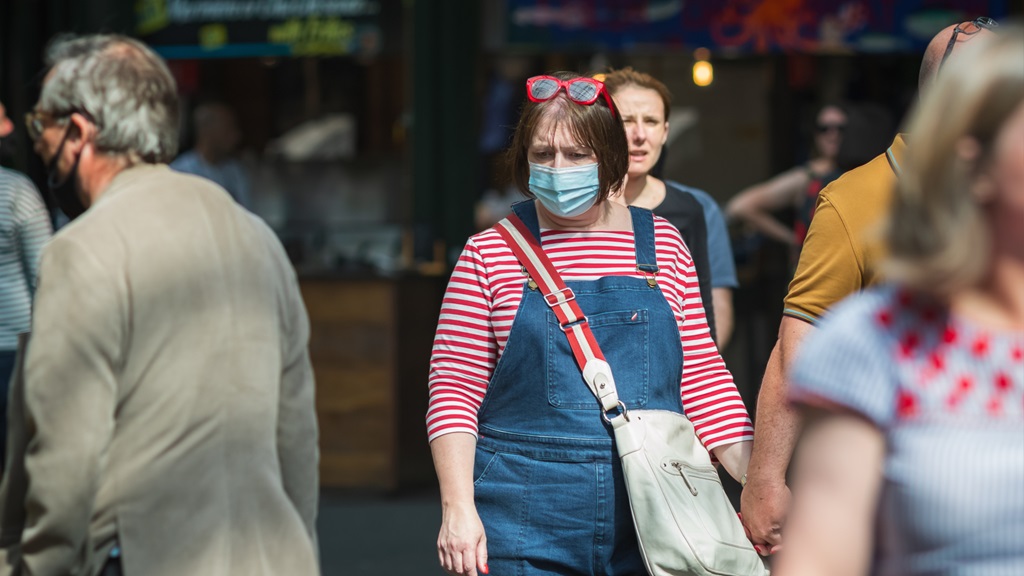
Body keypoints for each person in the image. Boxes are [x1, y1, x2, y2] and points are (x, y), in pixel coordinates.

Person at [4, 34, 319, 576]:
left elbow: (65, 458)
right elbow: (296, 436)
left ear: (78, 132)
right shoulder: (256, 236)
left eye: (40, 125)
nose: (34, 141)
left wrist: (37, 565)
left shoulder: (82, 249)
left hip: (141, 556)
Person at [427, 71, 754, 576]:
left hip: (654, 516)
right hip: (521, 518)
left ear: (610, 157)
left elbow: (702, 377)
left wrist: (757, 481)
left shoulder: (663, 243)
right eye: (542, 154)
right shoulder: (489, 251)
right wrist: (457, 509)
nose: (558, 168)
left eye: (578, 155)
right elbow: (454, 389)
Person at [739, 17, 999, 556]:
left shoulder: (1004, 198)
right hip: (886, 501)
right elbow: (797, 348)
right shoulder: (855, 199)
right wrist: (766, 477)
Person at [601, 66, 740, 348]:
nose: (639, 134)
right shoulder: (577, 205)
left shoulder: (692, 208)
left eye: (651, 121)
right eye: (626, 120)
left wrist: (697, 378)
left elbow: (712, 307)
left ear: (665, 132)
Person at [725, 103, 848, 268]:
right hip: (812, 275)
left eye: (840, 128)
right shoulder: (807, 177)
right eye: (824, 128)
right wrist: (793, 239)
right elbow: (740, 206)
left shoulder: (861, 171)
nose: (833, 135)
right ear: (815, 134)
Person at [0, 98, 52, 469]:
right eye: (1, 119)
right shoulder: (17, 191)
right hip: (14, 352)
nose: (11, 127)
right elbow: (46, 276)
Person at [171, 100, 253, 209]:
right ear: (208, 131)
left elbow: (246, 213)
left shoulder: (235, 171)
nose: (236, 136)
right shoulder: (180, 172)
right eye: (228, 128)